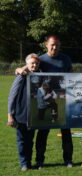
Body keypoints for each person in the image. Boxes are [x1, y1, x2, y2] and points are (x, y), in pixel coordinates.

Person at [16, 35, 73, 168]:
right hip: (44, 96)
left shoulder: (65, 59)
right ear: (46, 44)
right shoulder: (41, 59)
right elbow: (28, 66)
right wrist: (19, 69)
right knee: (42, 133)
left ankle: (68, 160)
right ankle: (39, 160)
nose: (55, 47)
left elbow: (72, 75)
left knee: (66, 132)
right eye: (52, 44)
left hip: (62, 98)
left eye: (57, 45)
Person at [7, 53, 40, 171]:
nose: (34, 65)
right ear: (27, 64)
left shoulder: (39, 76)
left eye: (36, 63)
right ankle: (23, 164)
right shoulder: (21, 76)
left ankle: (29, 162)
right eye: (32, 63)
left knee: (30, 141)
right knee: (21, 140)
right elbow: (12, 96)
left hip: (33, 116)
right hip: (20, 114)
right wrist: (10, 115)